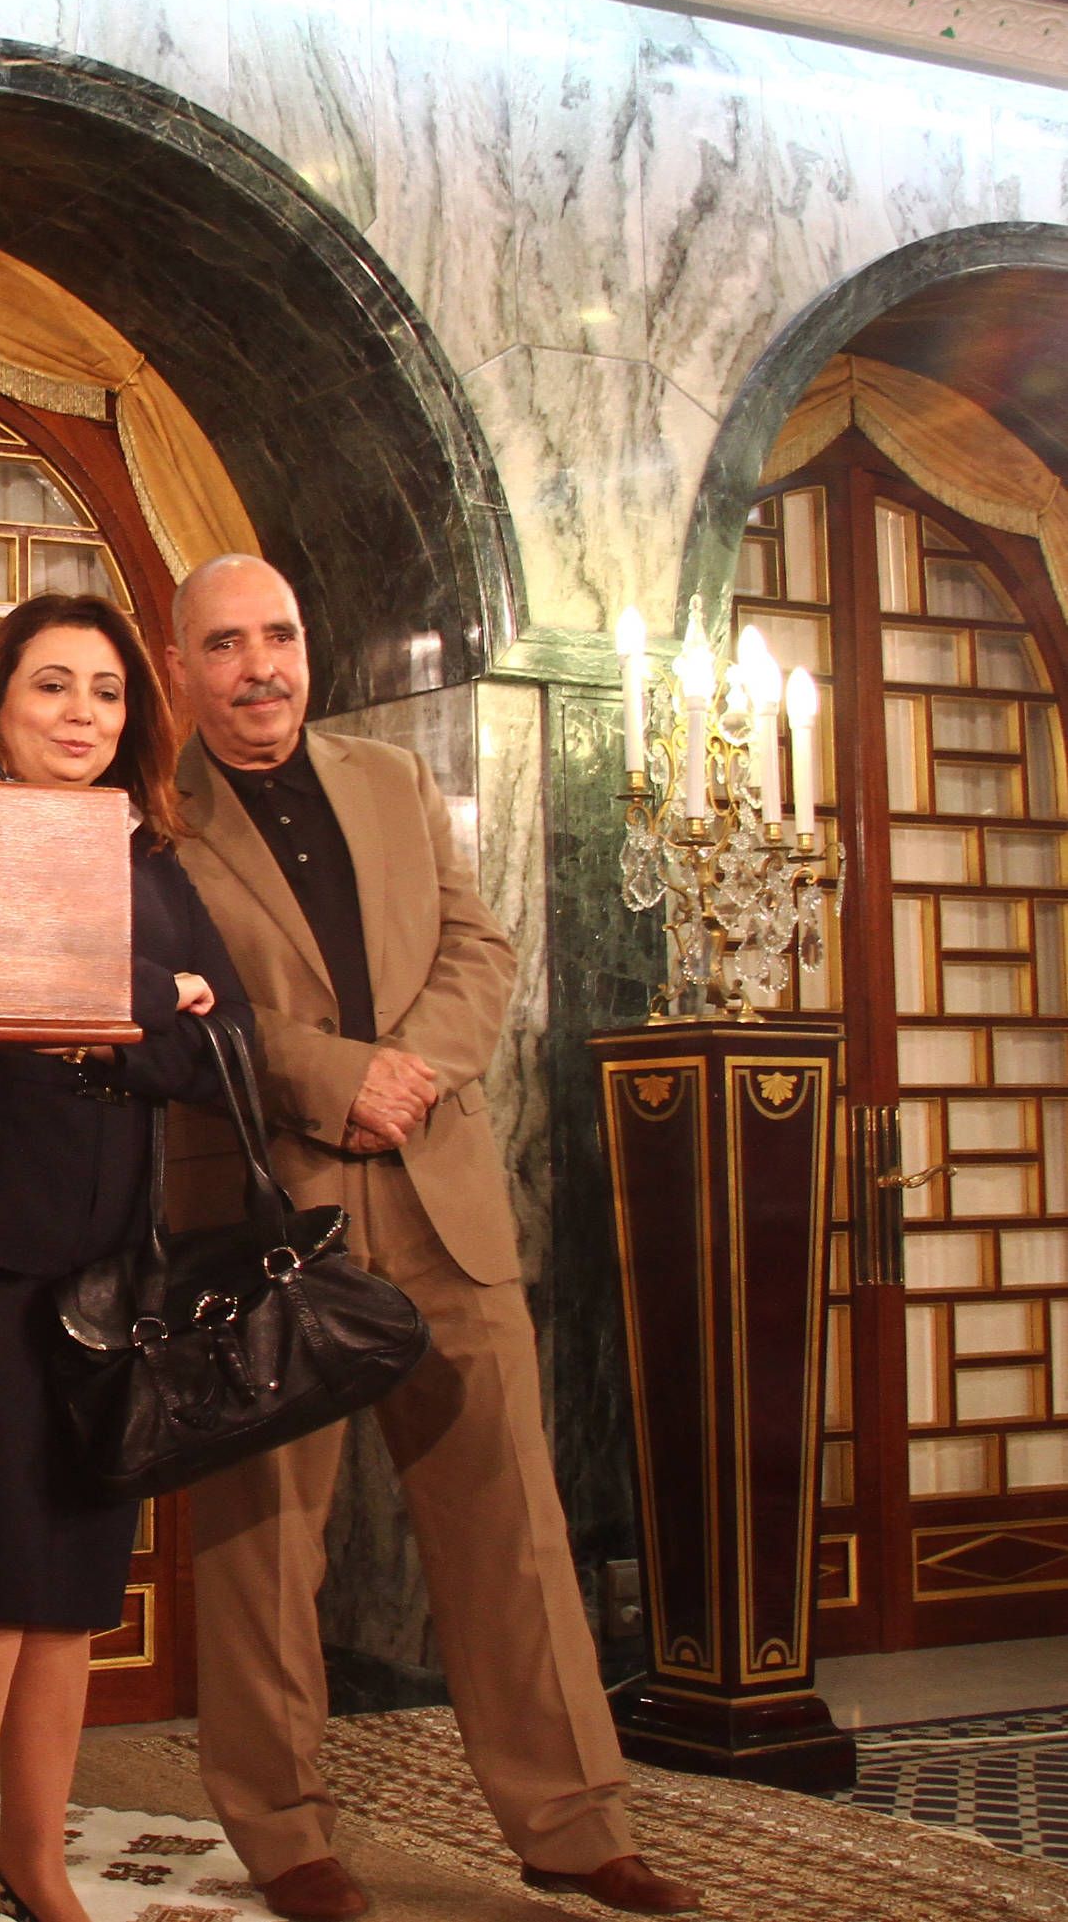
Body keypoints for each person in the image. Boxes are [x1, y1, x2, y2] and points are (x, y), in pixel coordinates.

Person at [161, 554, 699, 1920]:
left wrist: (411, 1070)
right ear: (178, 669)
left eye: (277, 635)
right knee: (265, 1546)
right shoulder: (147, 816)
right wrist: (338, 1079)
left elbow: (480, 948)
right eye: (223, 644)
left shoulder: (392, 778)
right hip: (272, 1214)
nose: (258, 667)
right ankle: (285, 1835)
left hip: (443, 1194)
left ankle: (575, 1825)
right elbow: (170, 1003)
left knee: (511, 1526)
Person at [0, 595, 247, 1922]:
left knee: (73, 1587)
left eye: (105, 693)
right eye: (52, 685)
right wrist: (142, 1004)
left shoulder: (147, 858)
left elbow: (220, 1047)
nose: (81, 714)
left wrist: (108, 1018)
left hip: (116, 1267)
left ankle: (33, 1857)